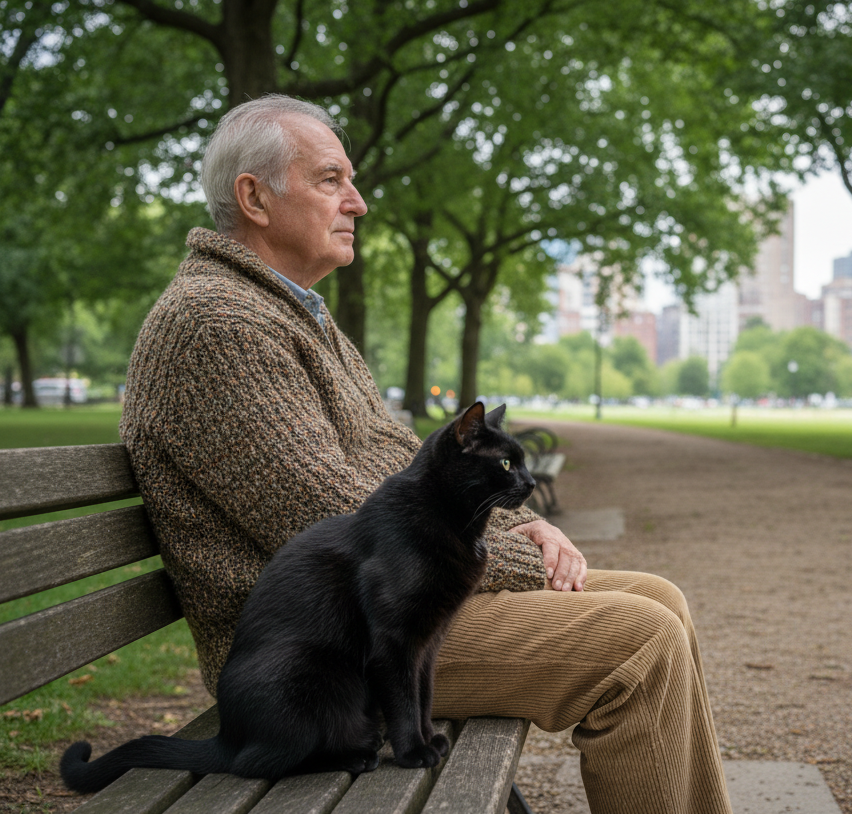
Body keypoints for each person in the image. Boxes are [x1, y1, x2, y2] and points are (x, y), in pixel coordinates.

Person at [120, 94, 732, 814]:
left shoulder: (289, 313)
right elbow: (326, 510)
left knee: (661, 599)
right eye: (330, 180)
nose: (360, 202)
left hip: (388, 603)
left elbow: (407, 471)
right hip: (322, 662)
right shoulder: (216, 324)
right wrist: (525, 559)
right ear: (254, 197)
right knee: (641, 641)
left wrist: (515, 528)